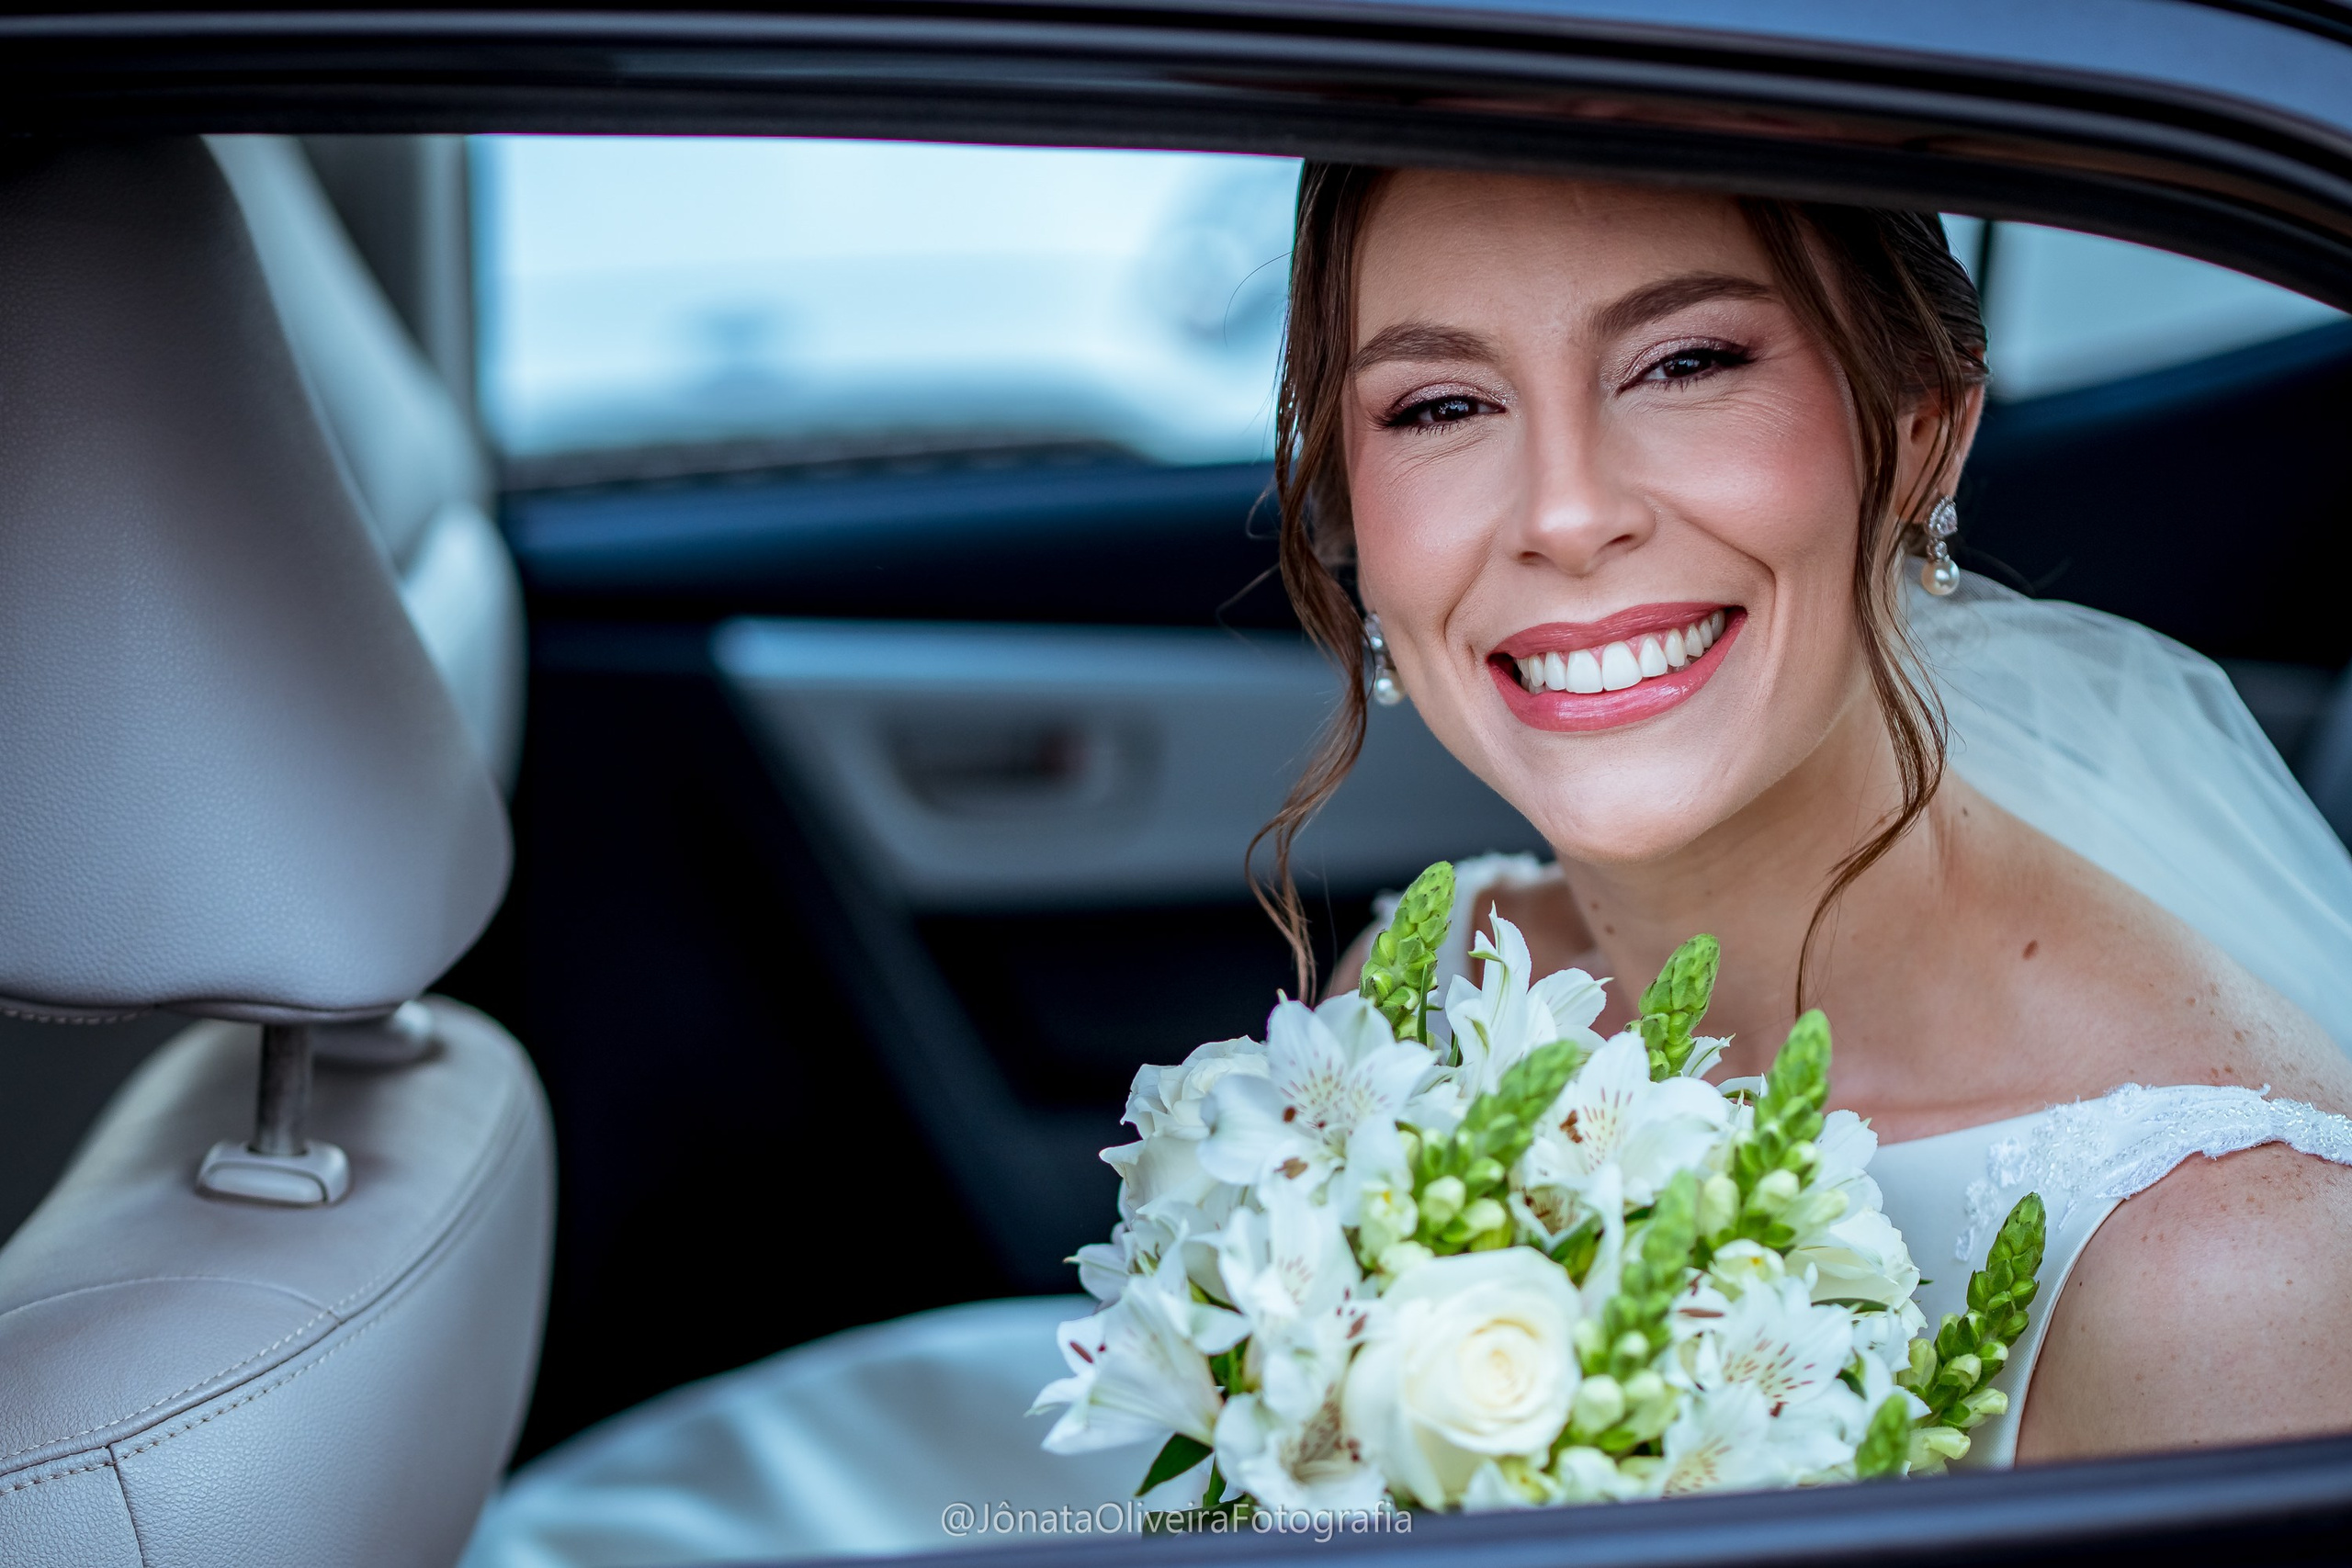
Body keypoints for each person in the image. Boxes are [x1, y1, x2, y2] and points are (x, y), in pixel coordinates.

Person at [460, 171, 2352, 1565]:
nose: (1557, 512)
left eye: (1684, 361)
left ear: (1919, 426)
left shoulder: (2231, 1270)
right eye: (1437, 404)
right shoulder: (1434, 978)